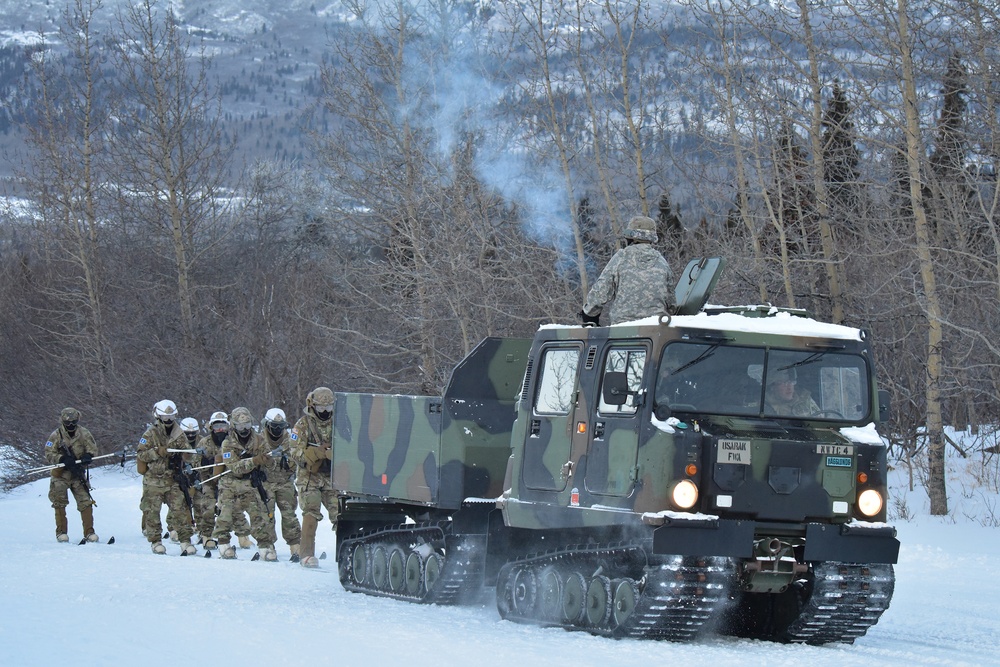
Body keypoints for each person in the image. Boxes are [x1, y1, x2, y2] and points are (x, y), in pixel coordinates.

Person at [212, 407, 279, 561]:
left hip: (250, 483)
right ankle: (223, 545)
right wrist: (254, 460)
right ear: (233, 425)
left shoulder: (259, 440)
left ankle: (265, 546)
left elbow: (271, 463)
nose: (244, 429)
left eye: (247, 425)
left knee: (258, 515)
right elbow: (234, 467)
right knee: (225, 514)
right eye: (240, 426)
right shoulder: (227, 443)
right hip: (229, 483)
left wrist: (267, 461)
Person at [581, 215, 674, 326]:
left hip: (623, 330)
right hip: (656, 329)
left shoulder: (621, 258)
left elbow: (599, 293)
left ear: (630, 237)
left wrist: (588, 315)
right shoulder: (662, 262)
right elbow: (671, 304)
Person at [136, 400, 197, 556]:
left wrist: (186, 454)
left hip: (173, 478)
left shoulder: (179, 433)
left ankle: (185, 541)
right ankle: (156, 541)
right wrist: (157, 452)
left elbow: (188, 453)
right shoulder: (150, 433)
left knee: (181, 510)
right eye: (165, 417)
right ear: (158, 416)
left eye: (171, 416)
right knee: (152, 511)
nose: (168, 420)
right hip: (154, 479)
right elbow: (141, 454)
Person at [289, 387, 338, 568]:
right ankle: (306, 555)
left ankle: (346, 552)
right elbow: (294, 451)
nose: (325, 412)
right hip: (309, 477)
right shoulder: (302, 425)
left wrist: (337, 453)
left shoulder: (340, 422)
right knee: (311, 513)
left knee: (340, 514)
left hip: (333, 476)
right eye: (321, 408)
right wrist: (317, 453)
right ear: (313, 406)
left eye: (329, 407)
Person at [44, 407, 99, 543]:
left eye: (73, 422)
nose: (71, 426)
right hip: (61, 474)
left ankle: (89, 532)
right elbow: (49, 453)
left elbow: (93, 449)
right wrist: (61, 459)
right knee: (59, 502)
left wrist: (88, 456)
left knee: (85, 501)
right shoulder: (56, 435)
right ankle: (61, 532)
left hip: (77, 473)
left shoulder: (84, 433)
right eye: (67, 423)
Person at [261, 408, 302, 562]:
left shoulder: (291, 439)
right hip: (266, 483)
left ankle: (296, 545)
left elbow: (297, 457)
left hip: (285, 482)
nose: (277, 430)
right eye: (274, 426)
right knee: (266, 515)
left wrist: (289, 461)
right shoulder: (259, 439)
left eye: (281, 426)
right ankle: (268, 545)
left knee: (289, 514)